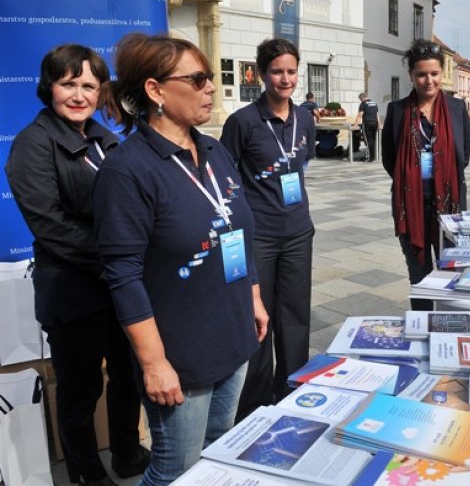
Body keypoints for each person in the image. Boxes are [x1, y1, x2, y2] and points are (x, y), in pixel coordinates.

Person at [93, 33, 268, 485]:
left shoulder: (213, 151)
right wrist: (153, 363)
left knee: (216, 455)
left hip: (233, 335)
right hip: (181, 354)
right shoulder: (127, 170)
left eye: (210, 78)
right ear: (155, 91)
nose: (212, 87)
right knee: (177, 469)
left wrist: (252, 295)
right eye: (199, 78)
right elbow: (123, 276)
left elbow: (237, 228)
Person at [5, 44, 148, 486]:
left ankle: (126, 452)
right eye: (69, 84)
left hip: (117, 284)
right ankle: (87, 472)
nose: (79, 94)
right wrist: (117, 257)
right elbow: (50, 226)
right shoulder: (33, 144)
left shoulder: (104, 138)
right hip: (73, 291)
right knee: (80, 389)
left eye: (89, 85)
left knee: (127, 375)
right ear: (50, 86)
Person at [220, 38, 316, 416]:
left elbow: (302, 163)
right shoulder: (242, 122)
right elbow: (226, 183)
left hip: (297, 232)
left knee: (295, 318)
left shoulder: (305, 118)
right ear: (262, 74)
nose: (285, 78)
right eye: (277, 71)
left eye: (291, 71)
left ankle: (293, 395)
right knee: (257, 321)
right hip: (257, 236)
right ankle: (255, 407)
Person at [381, 39, 470, 311]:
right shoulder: (397, 111)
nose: (428, 80)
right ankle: (423, 328)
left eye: (434, 73)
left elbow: (463, 156)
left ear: (441, 74)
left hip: (450, 205)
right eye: (421, 74)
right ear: (411, 75)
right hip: (411, 206)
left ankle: (447, 327)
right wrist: (412, 181)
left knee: (451, 269)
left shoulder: (456, 109)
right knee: (419, 275)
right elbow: (390, 159)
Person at [356, 92, 380, 161]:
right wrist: (379, 124)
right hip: (375, 123)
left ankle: (370, 157)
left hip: (367, 123)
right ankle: (375, 156)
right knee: (374, 140)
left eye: (360, 99)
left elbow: (360, 115)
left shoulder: (363, 104)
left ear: (362, 98)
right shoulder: (374, 103)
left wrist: (356, 125)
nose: (360, 100)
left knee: (368, 141)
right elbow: (377, 115)